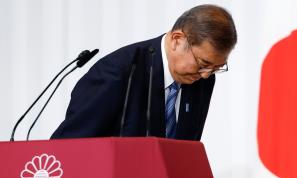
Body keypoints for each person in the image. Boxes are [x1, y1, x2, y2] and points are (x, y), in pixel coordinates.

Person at [51, 4, 237, 141]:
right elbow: (70, 146)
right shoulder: (118, 71)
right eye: (203, 63)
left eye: (216, 68)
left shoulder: (202, 78)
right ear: (177, 40)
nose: (205, 74)